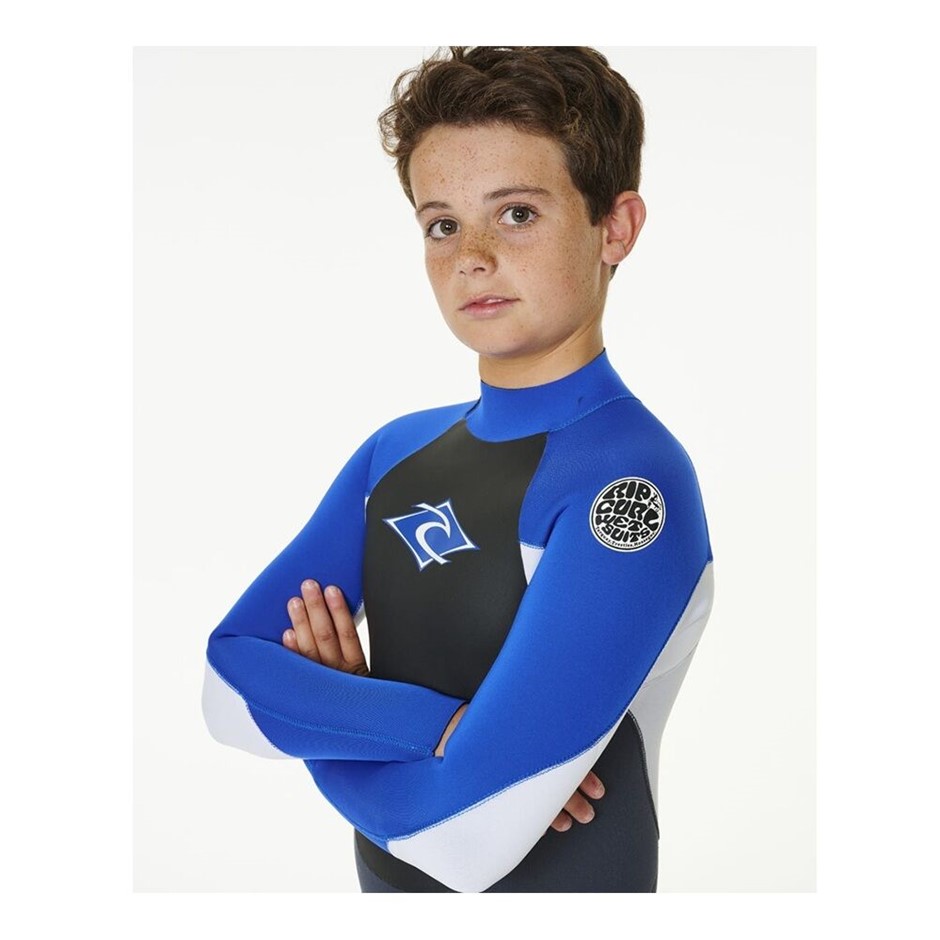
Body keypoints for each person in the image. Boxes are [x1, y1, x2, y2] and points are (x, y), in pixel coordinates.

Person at [201, 46, 713, 893]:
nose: (471, 255)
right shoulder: (395, 454)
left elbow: (461, 836)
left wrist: (329, 714)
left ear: (615, 227)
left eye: (516, 213)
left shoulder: (630, 483)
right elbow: (226, 687)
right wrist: (438, 728)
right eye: (442, 224)